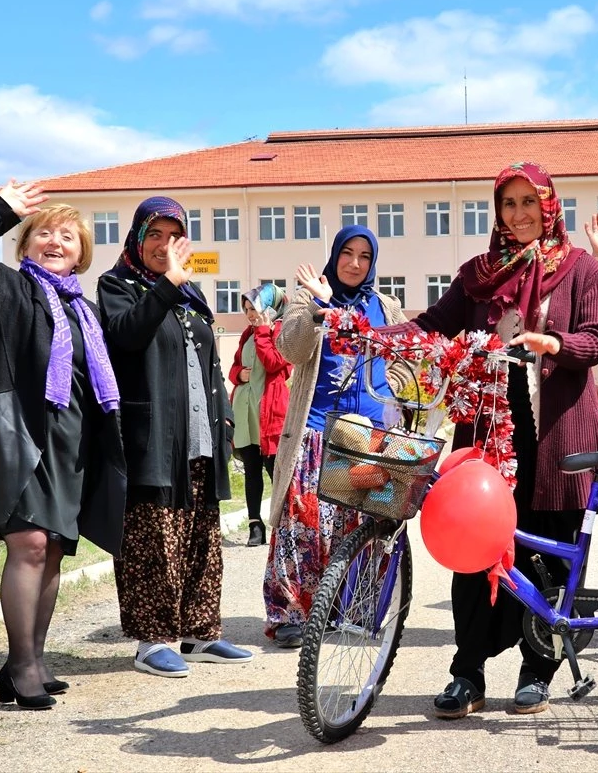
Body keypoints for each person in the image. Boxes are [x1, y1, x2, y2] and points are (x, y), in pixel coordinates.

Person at [386, 161, 598, 718]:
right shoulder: (477, 275)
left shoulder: (579, 269)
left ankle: (538, 670)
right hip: (487, 433)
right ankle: (468, 673)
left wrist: (553, 344)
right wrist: (364, 332)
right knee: (474, 549)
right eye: (508, 204)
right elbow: (432, 324)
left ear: (548, 204)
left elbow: (597, 337)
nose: (519, 214)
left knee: (548, 554)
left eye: (528, 202)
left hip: (556, 432)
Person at [0, 180, 125, 709]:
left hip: (70, 444)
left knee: (53, 555)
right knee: (28, 546)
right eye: (44, 232)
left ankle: (33, 658)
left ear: (81, 253)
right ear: (24, 246)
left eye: (68, 236)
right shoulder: (5, 289)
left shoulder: (83, 311)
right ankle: (20, 664)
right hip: (21, 437)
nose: (56, 241)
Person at [98, 195, 252, 677]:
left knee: (201, 535)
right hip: (153, 437)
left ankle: (199, 632)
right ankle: (152, 640)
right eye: (155, 236)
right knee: (154, 538)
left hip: (200, 436)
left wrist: (225, 421)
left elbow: (210, 361)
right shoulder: (117, 285)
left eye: (174, 237)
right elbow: (126, 335)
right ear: (138, 240)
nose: (165, 246)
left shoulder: (191, 296)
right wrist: (167, 284)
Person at [263, 225, 409, 649]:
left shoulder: (385, 305)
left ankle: (355, 607)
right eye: (348, 253)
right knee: (303, 522)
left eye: (365, 255)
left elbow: (405, 356)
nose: (355, 263)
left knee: (362, 523)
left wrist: (396, 390)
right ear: (335, 254)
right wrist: (318, 308)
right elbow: (291, 351)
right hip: (315, 434)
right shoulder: (307, 298)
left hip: (371, 437)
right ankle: (291, 612)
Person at [229, 283, 292, 548]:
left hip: (269, 413)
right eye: (246, 310)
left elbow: (276, 364)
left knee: (274, 471)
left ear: (269, 307)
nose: (250, 315)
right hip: (246, 411)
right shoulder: (247, 334)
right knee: (251, 470)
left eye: (253, 308)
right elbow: (234, 366)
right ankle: (255, 526)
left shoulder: (283, 332)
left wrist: (265, 332)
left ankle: (285, 525)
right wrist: (238, 375)